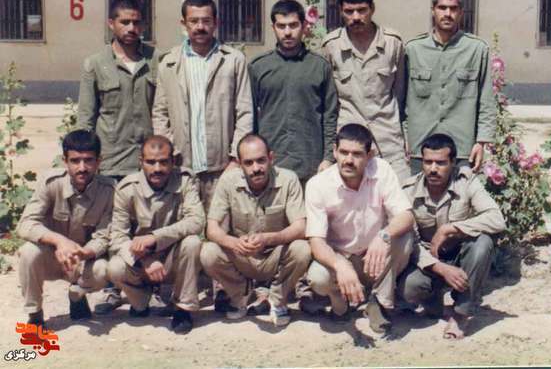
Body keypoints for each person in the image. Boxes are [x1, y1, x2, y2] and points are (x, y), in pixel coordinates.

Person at [77, 0, 161, 315]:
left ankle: (152, 285)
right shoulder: (95, 64)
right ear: (111, 24)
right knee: (113, 227)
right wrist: (85, 160)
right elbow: (86, 118)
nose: (131, 28)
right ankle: (114, 288)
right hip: (111, 159)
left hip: (147, 161)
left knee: (148, 222)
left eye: (136, 22)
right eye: (124, 22)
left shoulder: (155, 60)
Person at [305, 123, 414, 333]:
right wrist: (340, 265)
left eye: (357, 154)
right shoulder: (318, 185)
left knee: (404, 238)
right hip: (342, 257)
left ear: (369, 155)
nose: (348, 160)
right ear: (334, 151)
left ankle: (378, 301)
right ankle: (340, 302)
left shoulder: (382, 170)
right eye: (343, 152)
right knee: (318, 278)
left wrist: (383, 236)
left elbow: (406, 216)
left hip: (375, 258)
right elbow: (316, 242)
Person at [398, 133, 506, 339]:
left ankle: (461, 313)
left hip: (460, 255)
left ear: (453, 162)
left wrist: (451, 229)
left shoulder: (466, 181)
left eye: (440, 163)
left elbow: (496, 219)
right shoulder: (408, 190)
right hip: (429, 259)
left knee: (482, 243)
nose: (433, 169)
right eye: (428, 162)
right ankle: (434, 302)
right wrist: (439, 268)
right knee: (409, 288)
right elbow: (410, 242)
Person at [152, 0, 253, 213]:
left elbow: (245, 112)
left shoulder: (233, 60)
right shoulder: (169, 63)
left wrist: (236, 158)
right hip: (182, 169)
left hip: (222, 169)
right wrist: (171, 153)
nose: (200, 27)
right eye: (194, 21)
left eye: (206, 21)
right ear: (183, 24)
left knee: (221, 227)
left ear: (216, 23)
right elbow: (160, 113)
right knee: (186, 227)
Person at [200, 134, 311, 327]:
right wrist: (234, 243)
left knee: (302, 249)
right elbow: (212, 228)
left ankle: (277, 299)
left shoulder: (288, 179)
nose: (256, 168)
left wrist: (269, 239)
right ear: (240, 164)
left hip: (276, 255)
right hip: (243, 254)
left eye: (261, 160)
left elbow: (301, 227)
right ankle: (241, 295)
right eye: (248, 163)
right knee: (208, 252)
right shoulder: (228, 181)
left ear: (271, 158)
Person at [107, 136, 205, 334]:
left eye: (163, 162)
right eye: (151, 162)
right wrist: (145, 260)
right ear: (141, 161)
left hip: (172, 259)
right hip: (141, 262)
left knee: (193, 243)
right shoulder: (127, 189)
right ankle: (141, 302)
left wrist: (155, 238)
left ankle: (183, 308)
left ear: (173, 161)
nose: (157, 168)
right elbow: (117, 238)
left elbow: (197, 220)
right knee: (114, 267)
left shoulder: (185, 181)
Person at [16, 130, 115, 326]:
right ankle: (34, 314)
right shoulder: (51, 183)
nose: (82, 168)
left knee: (104, 269)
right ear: (65, 161)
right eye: (75, 161)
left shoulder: (109, 190)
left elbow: (104, 235)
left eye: (88, 160)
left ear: (99, 161)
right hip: (52, 257)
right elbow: (26, 223)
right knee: (28, 252)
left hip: (82, 260)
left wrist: (85, 252)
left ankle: (77, 294)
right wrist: (59, 241)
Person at [322, 0, 410, 181]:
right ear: (340, 11)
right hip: (349, 143)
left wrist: (406, 136)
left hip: (389, 140)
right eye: (349, 11)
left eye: (362, 10)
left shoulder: (393, 43)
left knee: (401, 192)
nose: (355, 17)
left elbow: (401, 95)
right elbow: (329, 102)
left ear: (372, 9)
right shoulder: (331, 46)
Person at [404, 0, 496, 175]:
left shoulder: (477, 50)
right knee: (418, 192)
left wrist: (481, 142)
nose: (447, 14)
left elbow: (486, 100)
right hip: (421, 146)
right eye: (442, 8)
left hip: (461, 147)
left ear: (461, 13)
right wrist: (404, 136)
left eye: (453, 9)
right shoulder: (413, 50)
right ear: (433, 10)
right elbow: (400, 99)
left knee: (461, 192)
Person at [249, 0, 338, 184]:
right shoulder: (258, 67)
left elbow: (330, 115)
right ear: (273, 27)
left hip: (311, 166)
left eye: (293, 25)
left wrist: (329, 158)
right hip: (271, 166)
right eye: (281, 26)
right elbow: (248, 117)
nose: (287, 32)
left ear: (304, 26)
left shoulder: (320, 66)